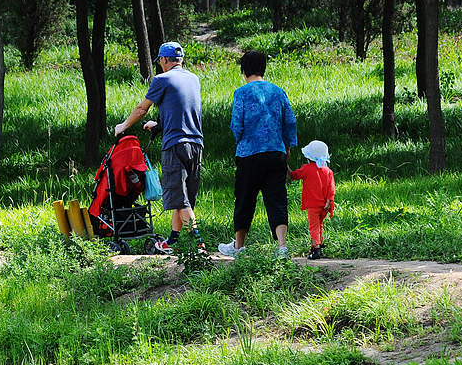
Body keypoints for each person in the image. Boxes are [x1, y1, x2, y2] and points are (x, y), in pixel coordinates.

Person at [114, 41, 203, 253]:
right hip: (196, 144)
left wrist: (123, 126)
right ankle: (171, 242)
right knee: (184, 199)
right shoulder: (193, 79)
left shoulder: (162, 79)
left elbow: (142, 108)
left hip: (175, 145)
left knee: (179, 200)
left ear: (164, 60)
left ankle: (199, 246)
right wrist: (160, 124)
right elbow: (183, 109)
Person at [218, 50, 297, 258]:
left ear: (244, 70)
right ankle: (282, 247)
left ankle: (239, 247)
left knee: (244, 199)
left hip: (249, 154)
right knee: (277, 199)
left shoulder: (241, 93)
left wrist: (242, 140)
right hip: (276, 152)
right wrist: (287, 146)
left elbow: (236, 125)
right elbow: (290, 121)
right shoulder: (278, 91)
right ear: (264, 68)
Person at [289, 140, 335, 260]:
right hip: (325, 205)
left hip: (313, 205)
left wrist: (286, 166)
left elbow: (294, 176)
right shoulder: (328, 171)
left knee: (313, 226)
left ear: (309, 157)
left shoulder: (306, 169)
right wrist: (329, 201)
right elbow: (331, 188)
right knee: (319, 225)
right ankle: (317, 243)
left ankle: (316, 249)